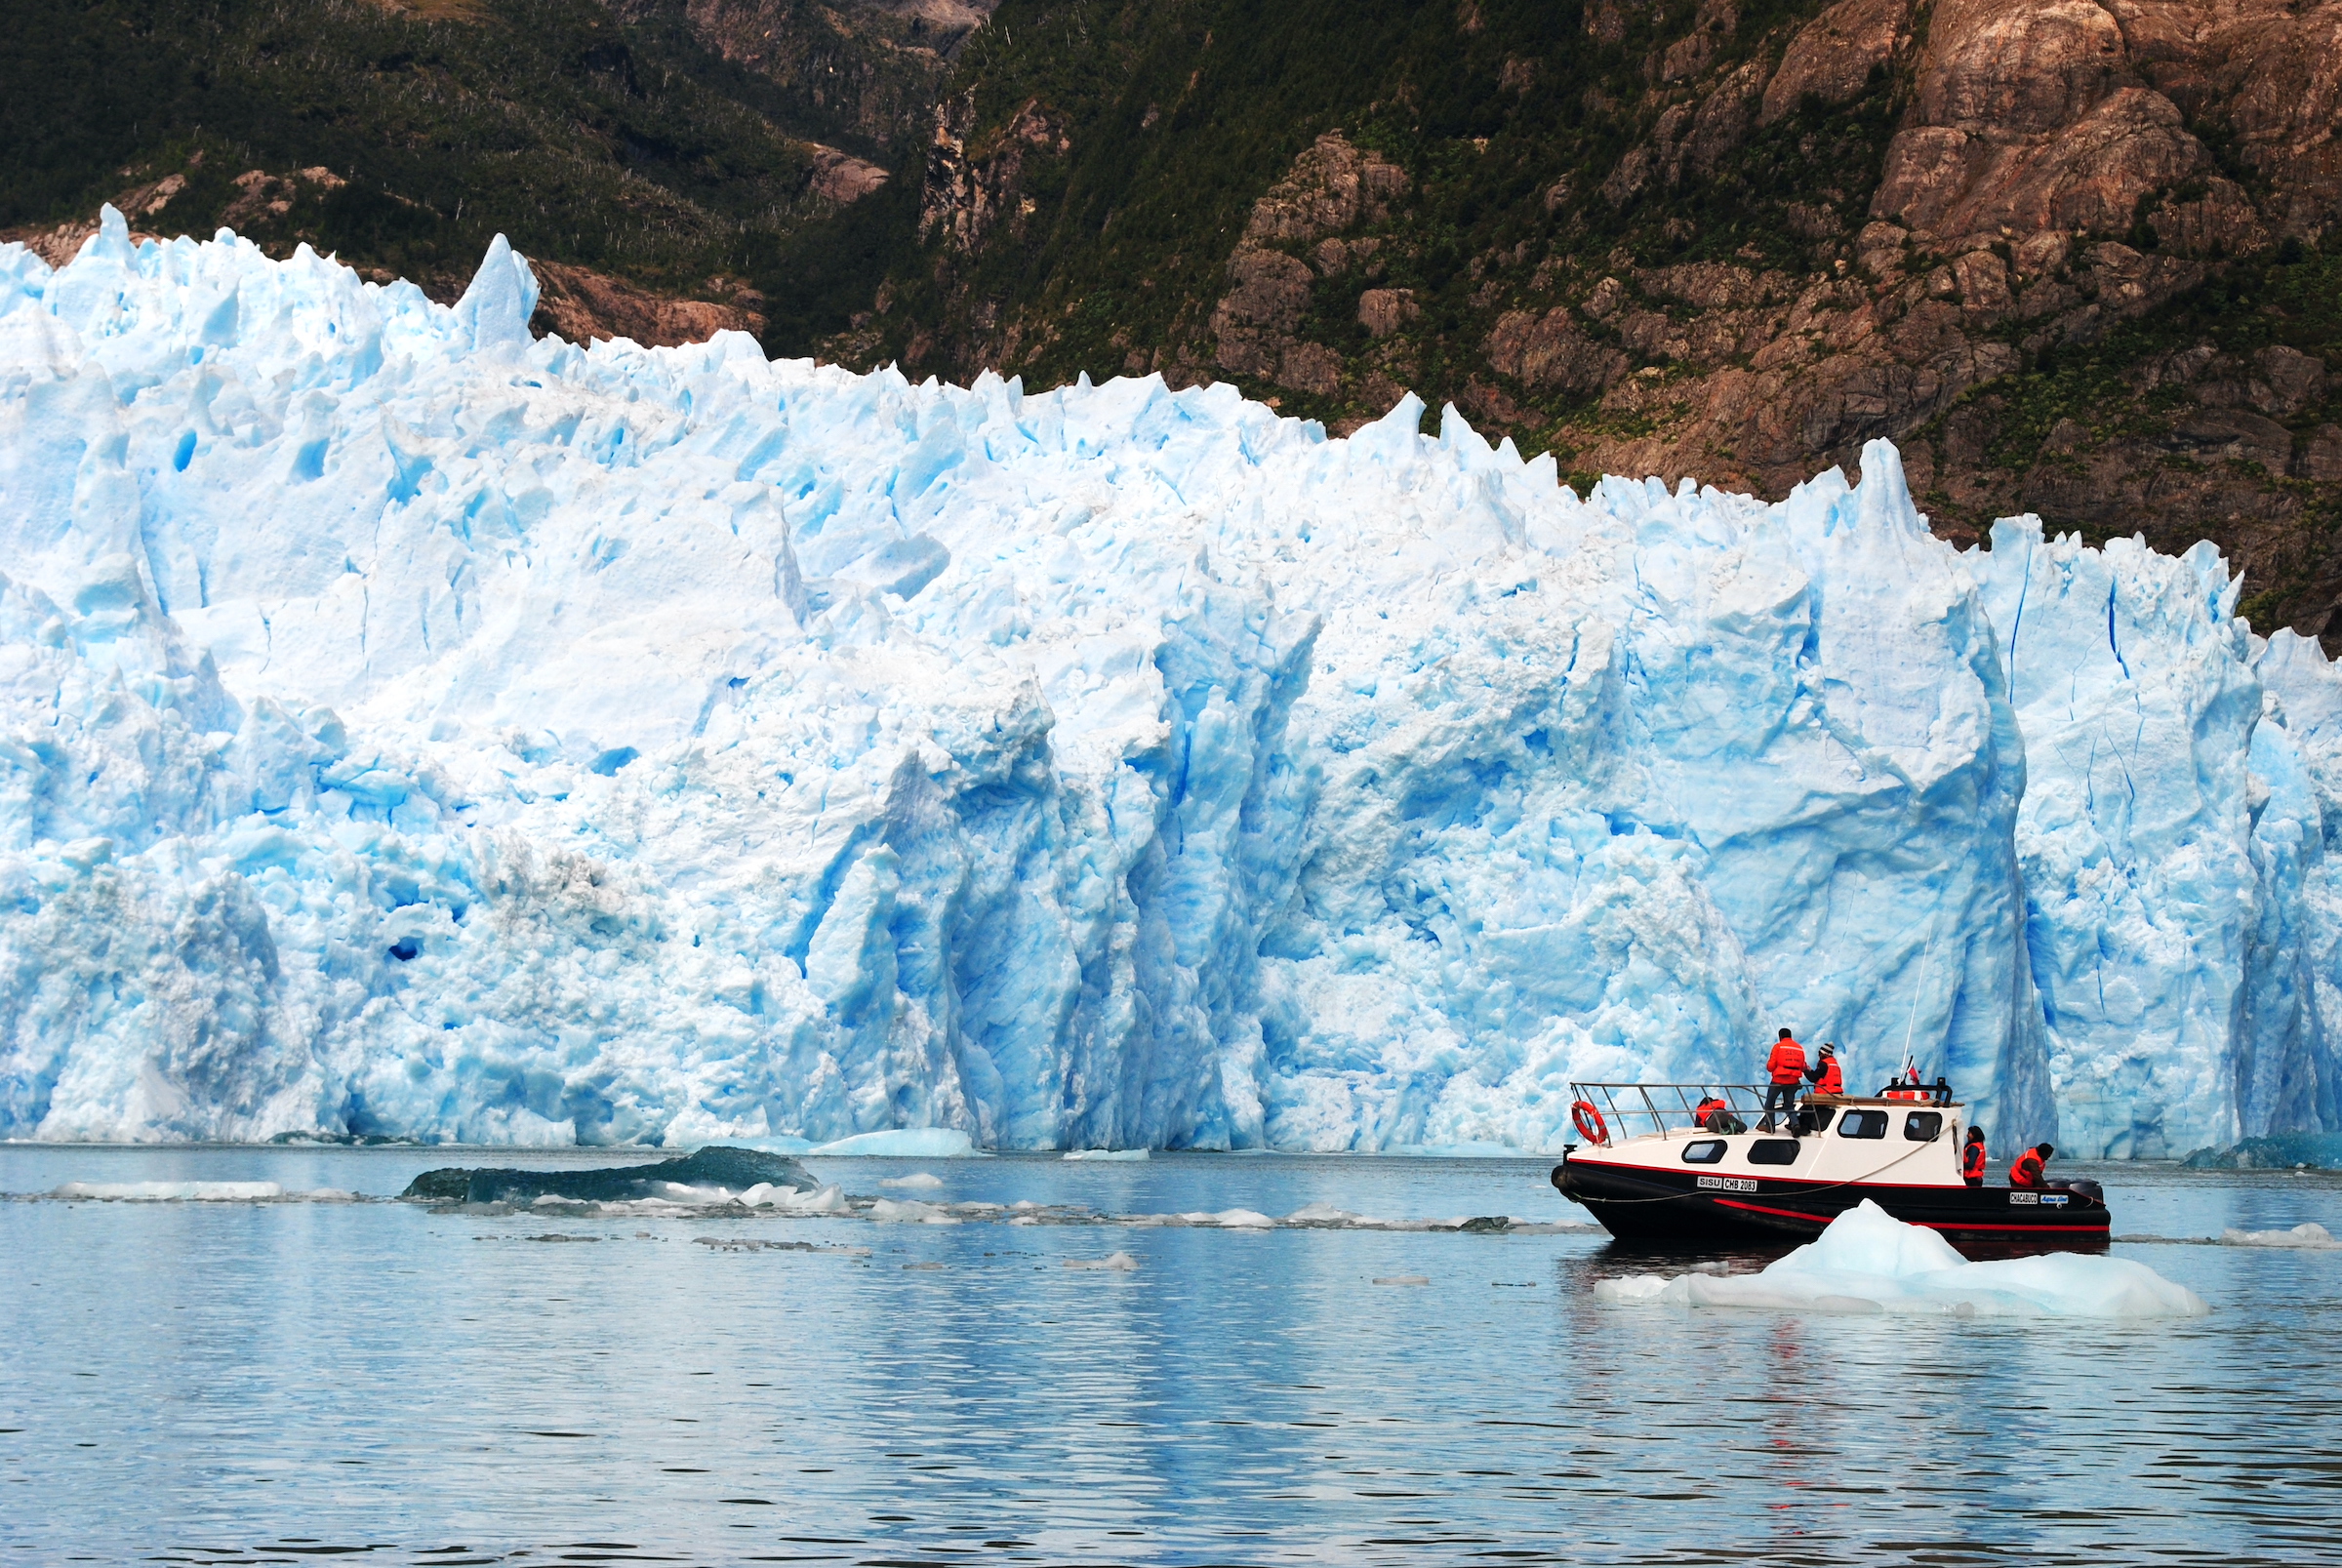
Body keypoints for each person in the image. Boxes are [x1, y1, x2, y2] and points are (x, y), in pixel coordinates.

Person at [1761, 1028, 1806, 1133]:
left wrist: (1768, 1066)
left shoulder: (1779, 1046)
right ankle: (1795, 1124)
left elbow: (1771, 1066)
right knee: (1789, 1105)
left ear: (1780, 1037)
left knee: (1769, 1104)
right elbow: (1802, 1065)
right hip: (1793, 1081)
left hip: (1779, 1080)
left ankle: (1770, 1126)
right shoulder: (1799, 1048)